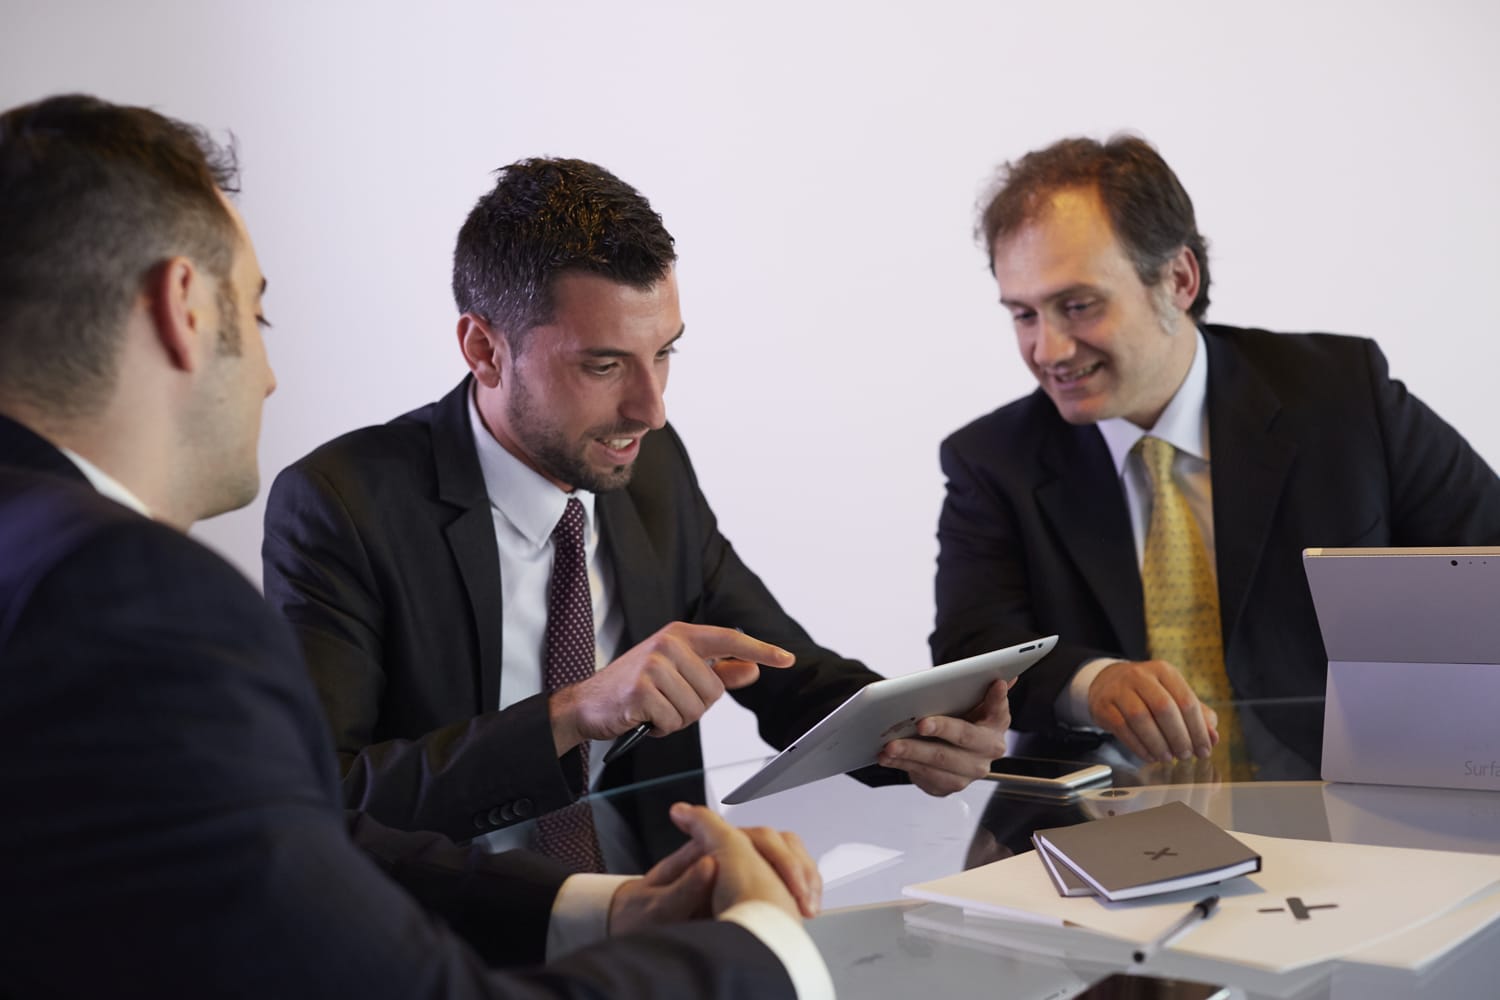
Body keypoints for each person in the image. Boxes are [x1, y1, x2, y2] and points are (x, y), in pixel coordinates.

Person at [0, 93, 834, 999]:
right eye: (260, 312)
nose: (275, 377)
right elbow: (342, 848)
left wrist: (607, 908)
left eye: (665, 354)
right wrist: (762, 948)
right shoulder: (134, 592)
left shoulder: (39, 559)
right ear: (186, 308)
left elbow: (304, 835)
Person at [261, 157, 1013, 863]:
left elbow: (785, 670)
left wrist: (924, 740)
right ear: (484, 350)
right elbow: (324, 793)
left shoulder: (650, 466)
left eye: (664, 354)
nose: (650, 408)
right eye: (604, 364)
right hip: (452, 945)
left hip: (654, 919)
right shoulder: (342, 505)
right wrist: (571, 713)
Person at [931, 134, 1500, 770]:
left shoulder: (1343, 395)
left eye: (1078, 306)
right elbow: (972, 649)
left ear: (1177, 278)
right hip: (1108, 823)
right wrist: (1094, 685)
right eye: (1024, 315)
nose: (1049, 350)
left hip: (1356, 796)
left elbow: (1487, 558)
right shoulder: (991, 460)